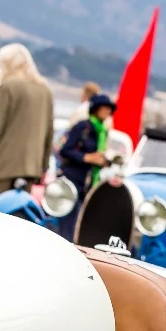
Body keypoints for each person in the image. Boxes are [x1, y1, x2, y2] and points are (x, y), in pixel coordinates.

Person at [0, 42, 54, 208]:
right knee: (18, 216)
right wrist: (43, 165)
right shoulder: (44, 90)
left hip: (2, 166)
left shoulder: (9, 86)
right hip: (31, 167)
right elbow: (49, 132)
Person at [58, 91, 117, 230]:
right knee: (67, 223)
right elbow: (65, 150)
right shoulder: (82, 127)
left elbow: (99, 156)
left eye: (109, 109)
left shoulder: (103, 132)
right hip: (73, 180)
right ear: (96, 109)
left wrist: (105, 161)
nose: (108, 111)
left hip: (89, 183)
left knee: (82, 223)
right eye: (105, 107)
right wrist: (86, 158)